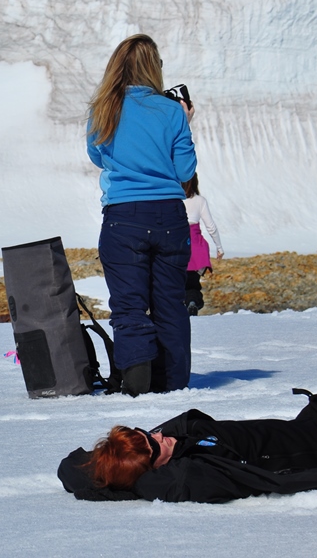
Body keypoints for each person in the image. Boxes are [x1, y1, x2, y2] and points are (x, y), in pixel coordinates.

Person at [86, 33, 197, 396]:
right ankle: (174, 382)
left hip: (123, 217)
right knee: (170, 303)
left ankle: (137, 384)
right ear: (154, 68)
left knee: (129, 304)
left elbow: (98, 157)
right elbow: (185, 171)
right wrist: (185, 124)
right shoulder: (171, 111)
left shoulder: (104, 107)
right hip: (169, 215)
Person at [57, 392, 317, 503]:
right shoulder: (186, 476)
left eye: (145, 432)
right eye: (152, 444)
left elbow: (70, 467)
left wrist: (102, 461)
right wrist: (134, 479)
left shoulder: (168, 448)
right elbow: (173, 480)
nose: (158, 434)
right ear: (151, 468)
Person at [181, 173, 224, 315]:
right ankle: (192, 302)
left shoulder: (174, 199)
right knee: (193, 282)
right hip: (196, 248)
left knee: (177, 281)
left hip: (178, 245)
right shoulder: (200, 201)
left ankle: (181, 306)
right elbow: (211, 226)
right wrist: (219, 247)